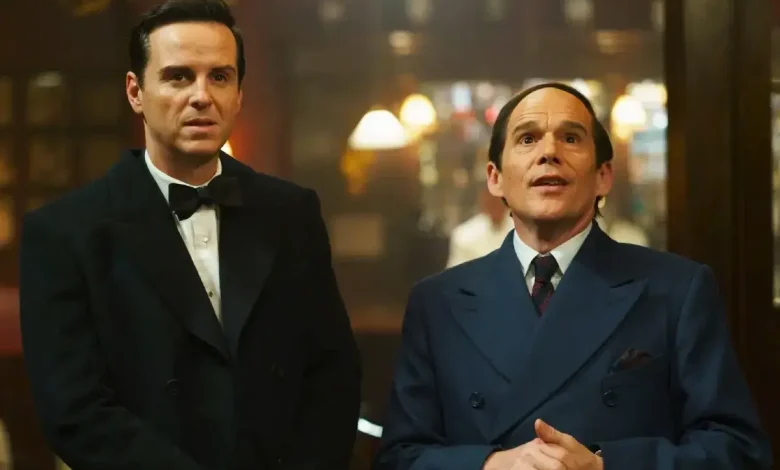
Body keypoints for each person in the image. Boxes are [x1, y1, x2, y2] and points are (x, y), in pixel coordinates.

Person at [19, 1, 361, 469]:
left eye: (219, 76)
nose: (202, 95)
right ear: (135, 92)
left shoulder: (291, 213)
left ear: (239, 94)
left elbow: (332, 375)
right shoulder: (65, 233)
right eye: (179, 77)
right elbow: (75, 412)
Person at [373, 83, 771, 470]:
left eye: (571, 138)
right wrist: (490, 464)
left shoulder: (677, 290)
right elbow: (399, 457)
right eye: (528, 139)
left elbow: (737, 451)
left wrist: (604, 466)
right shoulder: (437, 303)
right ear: (495, 178)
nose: (549, 152)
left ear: (603, 176)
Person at [446, 187, 513, 268]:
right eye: (492, 201)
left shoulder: (524, 232)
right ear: (484, 201)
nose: (496, 205)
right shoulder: (463, 235)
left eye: (499, 200)